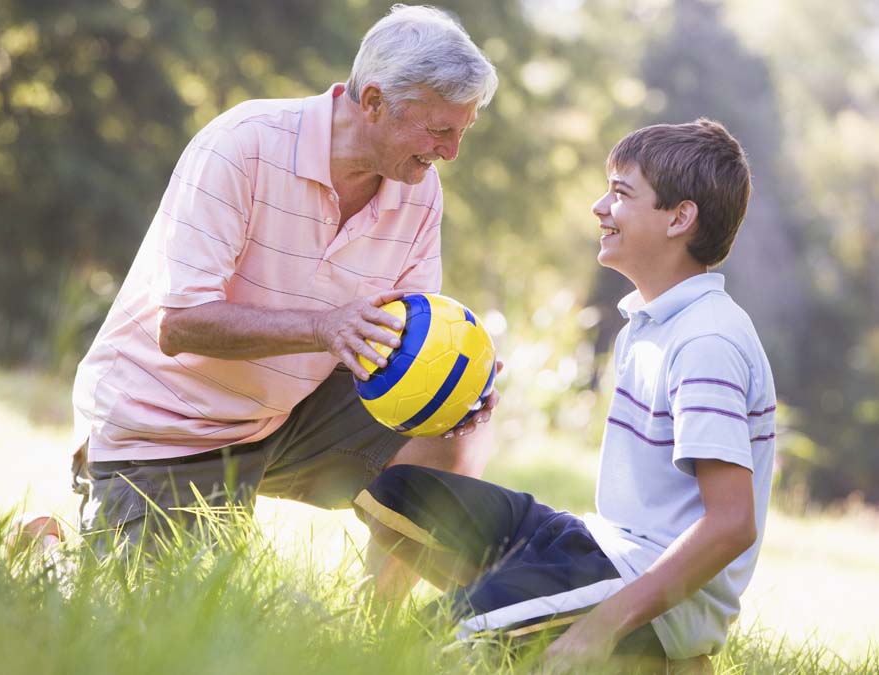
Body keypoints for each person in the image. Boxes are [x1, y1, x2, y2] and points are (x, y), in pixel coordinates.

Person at [70, 4, 499, 566]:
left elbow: (404, 332)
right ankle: (52, 543)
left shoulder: (417, 189)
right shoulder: (243, 144)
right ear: (373, 102)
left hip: (291, 416)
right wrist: (325, 327)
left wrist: (458, 378)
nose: (451, 152)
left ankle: (377, 628)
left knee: (452, 424)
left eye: (461, 132)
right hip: (169, 429)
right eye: (441, 130)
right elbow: (178, 325)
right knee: (184, 620)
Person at [354, 118, 776, 672]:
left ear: (680, 217)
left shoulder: (707, 341)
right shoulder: (647, 324)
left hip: (645, 583)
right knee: (396, 493)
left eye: (621, 194)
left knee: (435, 642)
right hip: (597, 544)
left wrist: (601, 627)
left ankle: (651, 656)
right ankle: (519, 615)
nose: (600, 208)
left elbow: (730, 524)